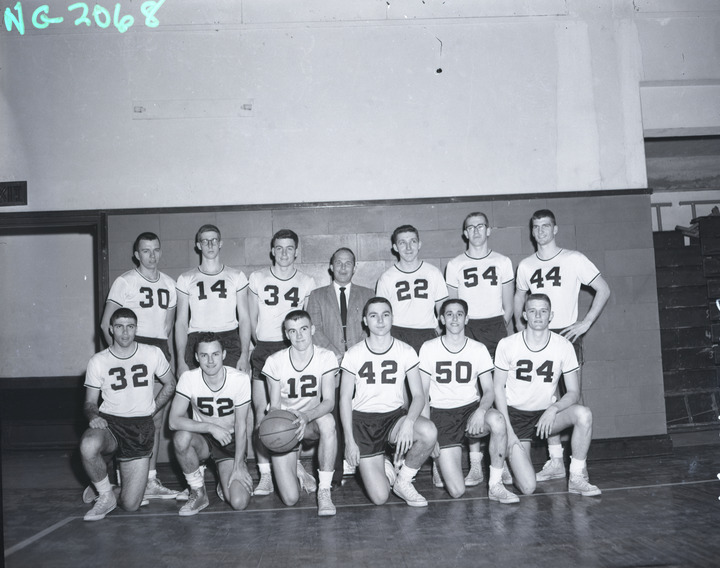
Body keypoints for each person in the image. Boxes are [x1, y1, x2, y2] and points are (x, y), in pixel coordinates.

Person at [514, 209, 611, 482]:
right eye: (536, 227)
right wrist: (519, 328)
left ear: (555, 229)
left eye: (546, 226)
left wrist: (586, 323)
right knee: (546, 397)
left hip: (566, 333)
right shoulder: (526, 265)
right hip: (535, 333)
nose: (541, 231)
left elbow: (603, 288)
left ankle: (578, 467)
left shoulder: (573, 259)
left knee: (570, 397)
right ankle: (555, 460)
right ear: (532, 231)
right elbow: (519, 298)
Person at [97, 232, 180, 501]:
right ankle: (126, 481)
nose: (152, 255)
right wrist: (120, 356)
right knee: (127, 417)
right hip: (132, 348)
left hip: (157, 351)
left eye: (156, 250)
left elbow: (167, 329)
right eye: (146, 251)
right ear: (137, 254)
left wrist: (170, 362)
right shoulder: (125, 282)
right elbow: (105, 323)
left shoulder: (169, 283)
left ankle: (151, 481)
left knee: (153, 418)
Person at [493, 294, 601, 497]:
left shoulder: (563, 346)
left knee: (583, 414)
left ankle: (576, 477)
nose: (538, 316)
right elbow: (498, 388)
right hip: (515, 418)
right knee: (528, 487)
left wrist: (554, 408)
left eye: (543, 311)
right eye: (532, 311)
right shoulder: (508, 344)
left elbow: (573, 392)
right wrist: (508, 430)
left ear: (550, 315)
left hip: (545, 417)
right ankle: (510, 461)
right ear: (524, 315)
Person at [339, 297, 437, 507]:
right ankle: (383, 463)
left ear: (392, 318)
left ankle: (404, 480)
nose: (380, 321)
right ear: (365, 320)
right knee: (380, 497)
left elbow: (419, 395)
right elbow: (345, 398)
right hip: (363, 422)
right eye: (374, 316)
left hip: (394, 419)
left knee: (428, 431)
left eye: (386, 315)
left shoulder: (406, 351)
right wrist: (349, 440)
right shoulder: (354, 353)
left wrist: (409, 422)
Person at [80, 308, 176, 521]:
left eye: (130, 326)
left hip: (140, 428)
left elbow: (170, 384)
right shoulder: (98, 360)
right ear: (111, 329)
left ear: (136, 329)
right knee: (88, 444)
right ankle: (104, 494)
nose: (125, 332)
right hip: (111, 424)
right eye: (120, 327)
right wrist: (93, 417)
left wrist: (153, 409)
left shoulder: (152, 353)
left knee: (131, 505)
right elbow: (89, 403)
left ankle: (108, 488)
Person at [419, 299, 518, 504]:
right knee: (456, 491)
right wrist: (430, 435)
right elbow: (423, 393)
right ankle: (439, 463)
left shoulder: (478, 348)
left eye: (459, 314)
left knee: (497, 420)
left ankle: (495, 485)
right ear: (441, 318)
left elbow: (489, 390)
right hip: (441, 415)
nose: (454, 318)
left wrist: (481, 410)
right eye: (449, 314)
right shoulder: (428, 348)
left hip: (470, 411)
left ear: (467, 318)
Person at [444, 212, 514, 484]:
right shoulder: (455, 264)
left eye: (480, 226)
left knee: (497, 394)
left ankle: (501, 460)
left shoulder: (502, 261)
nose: (475, 231)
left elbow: (508, 307)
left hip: (495, 327)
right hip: (467, 329)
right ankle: (475, 464)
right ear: (464, 233)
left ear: (489, 230)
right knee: (472, 393)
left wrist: (497, 329)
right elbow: (453, 307)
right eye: (469, 227)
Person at [248, 229, 316, 496]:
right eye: (279, 248)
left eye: (290, 248)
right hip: (265, 348)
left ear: (297, 251)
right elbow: (251, 320)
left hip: (293, 348)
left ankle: (294, 466)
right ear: (272, 250)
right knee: (261, 413)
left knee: (290, 413)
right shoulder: (258, 278)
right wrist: (253, 350)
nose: (284, 253)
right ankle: (265, 474)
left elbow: (305, 320)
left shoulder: (306, 281)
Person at [307, 247, 374, 482]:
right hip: (332, 367)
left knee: (361, 419)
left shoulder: (368, 294)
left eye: (348, 263)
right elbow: (314, 329)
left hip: (361, 368)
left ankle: (366, 471)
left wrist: (354, 356)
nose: (343, 267)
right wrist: (338, 354)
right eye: (338, 263)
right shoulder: (316, 295)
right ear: (330, 267)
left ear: (355, 267)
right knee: (333, 419)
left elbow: (372, 328)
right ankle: (332, 476)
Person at [262, 310, 339, 516]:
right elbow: (275, 406)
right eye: (293, 331)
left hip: (311, 421)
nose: (299, 336)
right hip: (286, 426)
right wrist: (283, 428)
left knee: (328, 422)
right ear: (286, 334)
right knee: (290, 499)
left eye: (303, 329)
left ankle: (324, 490)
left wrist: (306, 416)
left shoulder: (326, 356)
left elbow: (329, 401)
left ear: (312, 329)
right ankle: (295, 465)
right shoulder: (275, 360)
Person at [168, 333, 253, 516]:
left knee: (239, 502)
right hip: (203, 439)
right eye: (204, 355)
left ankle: (224, 480)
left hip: (228, 441)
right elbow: (173, 421)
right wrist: (210, 427)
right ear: (197, 357)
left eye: (215, 354)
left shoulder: (239, 379)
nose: (210, 360)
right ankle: (198, 491)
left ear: (223, 354)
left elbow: (241, 425)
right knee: (181, 437)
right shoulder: (189, 378)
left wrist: (239, 465)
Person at [175, 224, 252, 377]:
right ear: (198, 245)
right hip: (197, 338)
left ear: (220, 243)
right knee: (197, 395)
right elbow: (181, 323)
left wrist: (244, 355)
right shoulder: (186, 278)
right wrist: (180, 360)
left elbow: (244, 319)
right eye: (205, 241)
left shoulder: (236, 276)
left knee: (231, 392)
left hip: (229, 338)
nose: (210, 245)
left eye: (214, 240)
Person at [376, 225, 447, 353]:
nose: (408, 248)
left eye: (412, 242)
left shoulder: (433, 273)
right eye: (402, 243)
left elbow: (443, 308)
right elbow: (381, 313)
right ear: (395, 247)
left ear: (419, 244)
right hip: (397, 333)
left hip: (427, 333)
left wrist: (437, 331)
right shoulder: (387, 277)